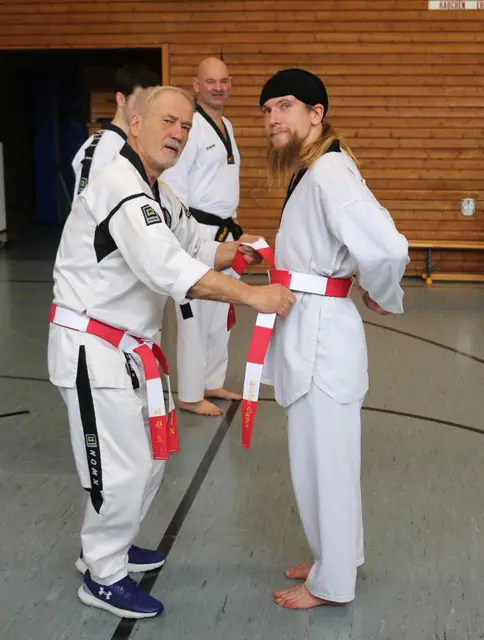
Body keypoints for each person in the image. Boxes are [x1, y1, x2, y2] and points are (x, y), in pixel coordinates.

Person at [48, 84, 295, 620]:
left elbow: (195, 246)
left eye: (185, 126)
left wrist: (238, 252)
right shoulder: (122, 187)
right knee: (122, 467)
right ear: (135, 124)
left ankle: (112, 544)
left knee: (153, 457)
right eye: (167, 121)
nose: (177, 133)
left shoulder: (157, 191)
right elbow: (171, 269)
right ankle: (102, 574)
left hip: (131, 348)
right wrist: (253, 295)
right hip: (93, 349)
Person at [257, 69, 409, 610]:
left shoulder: (328, 171)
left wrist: (380, 290)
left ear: (316, 112)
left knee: (326, 459)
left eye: (285, 105)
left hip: (321, 329)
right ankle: (336, 555)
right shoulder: (313, 168)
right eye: (267, 110)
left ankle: (333, 582)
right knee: (321, 455)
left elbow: (387, 248)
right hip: (311, 321)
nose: (273, 118)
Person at [162, 57, 243, 417]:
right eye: (210, 81)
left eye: (223, 81)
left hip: (226, 231)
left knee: (220, 312)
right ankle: (191, 393)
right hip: (196, 231)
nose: (218, 88)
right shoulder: (190, 128)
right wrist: (181, 236)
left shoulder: (227, 125)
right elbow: (174, 188)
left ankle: (212, 381)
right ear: (196, 86)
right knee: (194, 315)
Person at [71, 63, 160, 198]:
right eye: (140, 101)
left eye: (151, 102)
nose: (147, 109)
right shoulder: (101, 149)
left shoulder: (138, 145)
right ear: (121, 100)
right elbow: (86, 205)